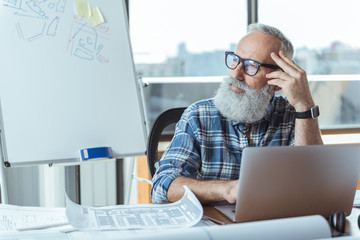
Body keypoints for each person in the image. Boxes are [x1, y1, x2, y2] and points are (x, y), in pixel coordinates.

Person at [150, 23, 323, 204]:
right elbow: (162, 186)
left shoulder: (294, 116)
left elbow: (316, 185)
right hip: (213, 229)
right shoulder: (198, 116)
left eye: (250, 66)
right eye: (235, 60)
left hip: (275, 226)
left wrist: (304, 105)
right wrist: (227, 190)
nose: (236, 73)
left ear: (278, 81)